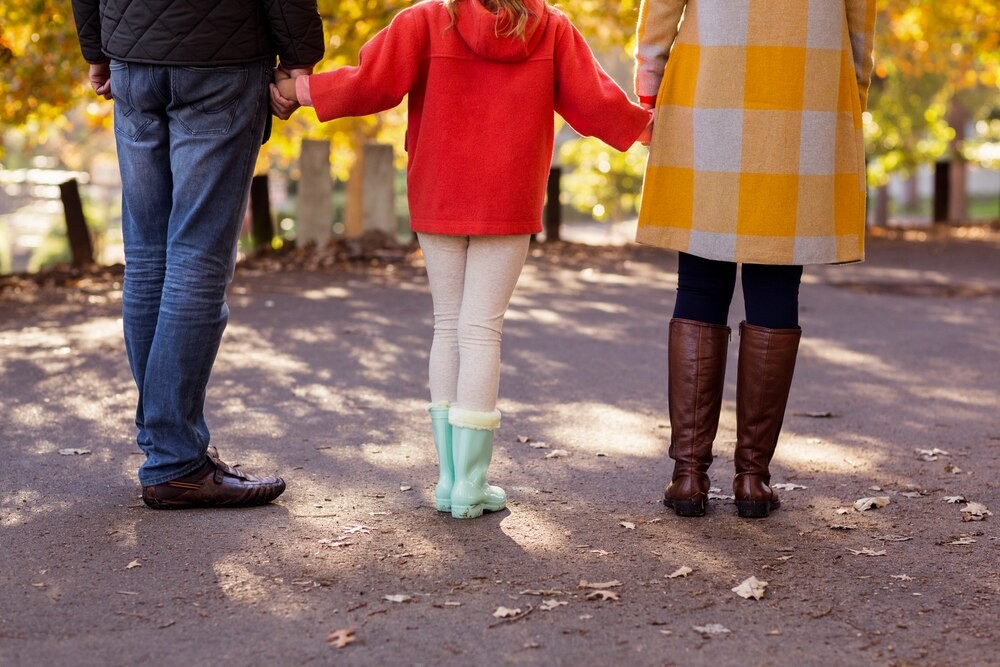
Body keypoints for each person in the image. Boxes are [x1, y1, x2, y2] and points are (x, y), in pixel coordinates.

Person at [273, 0, 653, 518]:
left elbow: (371, 82)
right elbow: (596, 103)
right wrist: (654, 128)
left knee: (449, 326)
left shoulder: (426, 21)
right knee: (481, 330)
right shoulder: (552, 30)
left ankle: (450, 481)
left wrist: (299, 89)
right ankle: (471, 484)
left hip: (439, 191)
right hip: (510, 197)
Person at [70, 0, 324, 508]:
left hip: (133, 57)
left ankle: (169, 454)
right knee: (197, 262)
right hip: (221, 61)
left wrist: (97, 47)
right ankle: (175, 462)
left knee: (148, 260)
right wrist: (299, 58)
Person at [634, 0, 877, 518]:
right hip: (805, 93)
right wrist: (850, 98)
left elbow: (660, 11)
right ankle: (751, 479)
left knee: (699, 280)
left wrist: (650, 82)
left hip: (709, 85)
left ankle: (688, 475)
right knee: (776, 283)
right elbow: (860, 26)